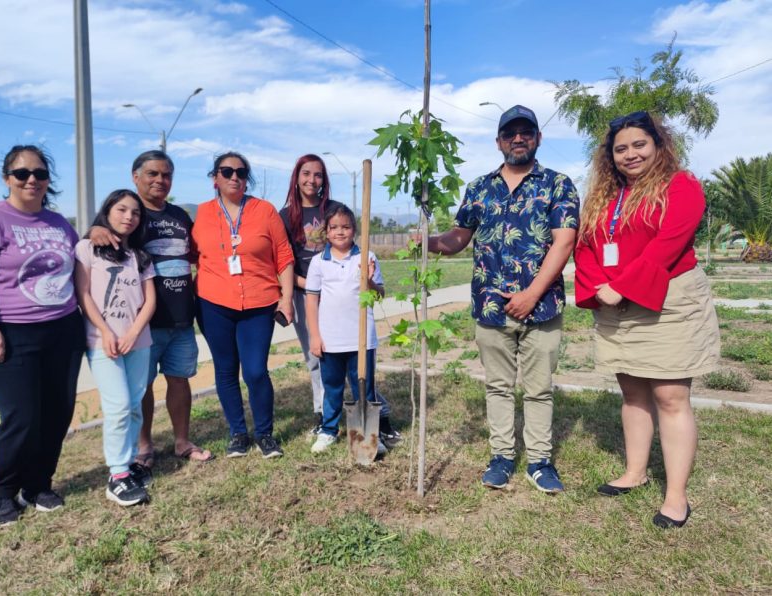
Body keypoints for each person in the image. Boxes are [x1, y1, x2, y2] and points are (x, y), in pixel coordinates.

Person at [420, 105, 579, 493]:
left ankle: (539, 462)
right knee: (498, 386)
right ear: (499, 142)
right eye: (511, 133)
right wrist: (428, 241)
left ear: (538, 138)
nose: (518, 138)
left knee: (539, 388)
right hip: (490, 307)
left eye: (527, 132)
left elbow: (565, 241)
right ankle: (502, 457)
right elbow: (459, 237)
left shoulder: (558, 184)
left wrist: (531, 294)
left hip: (541, 307)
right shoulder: (479, 188)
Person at [574, 110, 720, 529]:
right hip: (615, 303)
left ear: (658, 144)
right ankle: (635, 472)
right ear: (610, 156)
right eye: (621, 149)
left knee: (670, 397)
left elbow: (669, 243)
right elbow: (585, 246)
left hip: (667, 301)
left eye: (639, 144)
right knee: (633, 391)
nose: (630, 154)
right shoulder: (605, 196)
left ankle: (676, 497)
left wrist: (624, 285)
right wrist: (600, 286)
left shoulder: (681, 185)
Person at [0, 145, 84, 525]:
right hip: (11, 333)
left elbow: (79, 263)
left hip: (62, 330)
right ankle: (2, 490)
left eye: (40, 173)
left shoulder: (59, 223)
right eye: (22, 173)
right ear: (7, 178)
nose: (32, 179)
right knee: (22, 416)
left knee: (57, 412)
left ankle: (38, 484)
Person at [90, 150, 212, 469]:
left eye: (166, 174)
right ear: (135, 176)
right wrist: (95, 231)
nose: (160, 180)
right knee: (141, 388)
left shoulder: (181, 216)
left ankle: (182, 441)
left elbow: (196, 256)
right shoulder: (130, 215)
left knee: (179, 379)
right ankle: (145, 446)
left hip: (181, 318)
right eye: (152, 174)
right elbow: (99, 239)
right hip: (142, 323)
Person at [278, 154, 401, 447]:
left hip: (344, 296)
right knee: (317, 360)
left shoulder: (334, 211)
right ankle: (326, 421)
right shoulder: (285, 216)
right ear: (296, 177)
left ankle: (375, 421)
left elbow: (376, 290)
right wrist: (314, 285)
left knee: (358, 372)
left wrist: (359, 280)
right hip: (308, 290)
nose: (311, 180)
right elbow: (283, 261)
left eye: (318, 174)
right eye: (306, 174)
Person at [192, 151, 294, 458]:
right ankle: (238, 433)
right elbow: (187, 255)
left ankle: (264, 433)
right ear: (215, 178)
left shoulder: (264, 210)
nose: (234, 176)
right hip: (214, 303)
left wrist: (286, 299)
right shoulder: (202, 213)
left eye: (240, 171)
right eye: (227, 171)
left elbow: (284, 256)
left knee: (255, 371)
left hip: (259, 302)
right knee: (225, 370)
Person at [76, 190, 156, 507]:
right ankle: (118, 474)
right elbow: (83, 295)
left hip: (139, 340)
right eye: (121, 209)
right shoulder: (87, 248)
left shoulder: (139, 256)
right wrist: (106, 331)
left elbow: (150, 300)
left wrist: (134, 331)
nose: (128, 217)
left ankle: (130, 462)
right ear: (107, 211)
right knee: (118, 405)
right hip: (102, 342)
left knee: (134, 404)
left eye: (135, 213)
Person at [305, 204, 387, 455]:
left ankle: (370, 434)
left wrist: (370, 280)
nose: (340, 232)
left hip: (362, 340)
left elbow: (380, 295)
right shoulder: (319, 262)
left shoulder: (367, 258)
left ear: (354, 229)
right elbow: (311, 300)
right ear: (326, 233)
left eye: (346, 226)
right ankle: (329, 430)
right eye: (334, 227)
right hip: (331, 340)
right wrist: (315, 336)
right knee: (332, 388)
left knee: (365, 388)